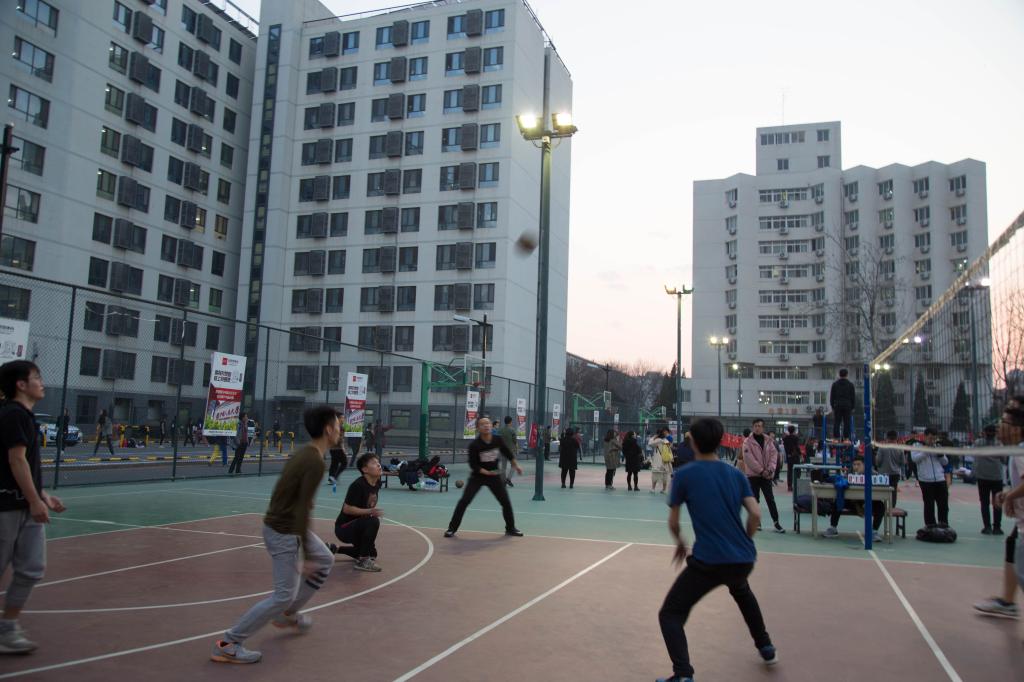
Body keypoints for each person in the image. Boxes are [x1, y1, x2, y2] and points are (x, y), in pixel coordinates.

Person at [211, 406, 340, 664]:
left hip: (284, 525)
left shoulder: (306, 453)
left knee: (326, 559)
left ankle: (286, 614)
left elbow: (290, 493)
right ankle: (229, 642)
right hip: (284, 531)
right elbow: (301, 509)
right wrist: (307, 555)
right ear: (328, 430)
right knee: (283, 595)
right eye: (338, 426)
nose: (341, 431)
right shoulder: (315, 461)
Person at [656, 417, 776, 682]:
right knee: (742, 591)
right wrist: (745, 541)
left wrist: (680, 543)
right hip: (742, 559)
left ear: (693, 442)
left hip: (709, 561)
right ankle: (766, 647)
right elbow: (755, 513)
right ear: (720, 442)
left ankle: (683, 674)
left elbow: (674, 522)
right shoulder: (736, 474)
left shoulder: (684, 475)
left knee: (671, 614)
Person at [0, 361, 66, 654]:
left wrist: (41, 495)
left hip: (25, 505)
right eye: (36, 377)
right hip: (7, 507)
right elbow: (15, 460)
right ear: (21, 385)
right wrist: (33, 500)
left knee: (31, 567)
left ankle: (7, 628)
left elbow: (24, 464)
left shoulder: (24, 416)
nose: (42, 382)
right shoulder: (13, 414)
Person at [974, 400, 1024, 619]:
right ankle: (1008, 602)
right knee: (1013, 547)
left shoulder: (1019, 451)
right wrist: (1012, 495)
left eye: (1005, 421)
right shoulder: (1015, 450)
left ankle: (1008, 602)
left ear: (1017, 428)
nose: (999, 426)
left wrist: (1008, 496)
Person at [444, 416, 523, 538]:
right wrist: (485, 472)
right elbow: (473, 464)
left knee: (505, 501)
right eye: (483, 424)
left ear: (491, 426)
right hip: (478, 477)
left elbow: (507, 453)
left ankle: (510, 528)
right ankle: (452, 528)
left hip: (494, 476)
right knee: (464, 501)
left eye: (488, 423)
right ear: (478, 428)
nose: (486, 425)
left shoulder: (497, 440)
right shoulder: (474, 445)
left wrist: (516, 465)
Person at [330, 453, 383, 572]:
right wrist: (370, 511)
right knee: (373, 521)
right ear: (365, 469)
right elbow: (347, 509)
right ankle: (363, 561)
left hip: (359, 525)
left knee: (372, 554)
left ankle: (334, 548)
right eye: (374, 463)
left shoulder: (377, 482)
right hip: (344, 528)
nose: (378, 465)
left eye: (378, 462)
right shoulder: (358, 485)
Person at [822, 458, 886, 542]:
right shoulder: (849, 473)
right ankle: (833, 528)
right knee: (838, 502)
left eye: (858, 464)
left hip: (868, 502)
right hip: (853, 502)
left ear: (864, 465)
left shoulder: (873, 474)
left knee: (880, 505)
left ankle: (873, 532)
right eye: (854, 464)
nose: (856, 467)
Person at [742, 419, 785, 533]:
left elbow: (773, 455)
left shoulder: (769, 441)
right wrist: (761, 471)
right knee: (755, 500)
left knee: (770, 499)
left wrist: (770, 469)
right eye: (755, 426)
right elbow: (749, 459)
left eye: (760, 426)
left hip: (767, 476)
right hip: (753, 476)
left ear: (763, 428)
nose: (757, 428)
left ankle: (776, 523)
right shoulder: (747, 442)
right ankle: (757, 523)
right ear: (753, 427)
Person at [911, 427, 950, 528]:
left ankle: (943, 524)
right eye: (930, 438)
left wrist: (941, 455)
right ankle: (930, 526)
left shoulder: (938, 446)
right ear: (924, 436)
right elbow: (915, 459)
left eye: (934, 438)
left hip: (940, 478)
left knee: (943, 504)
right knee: (929, 504)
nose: (932, 440)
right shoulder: (916, 445)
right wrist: (926, 450)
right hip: (926, 480)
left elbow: (945, 462)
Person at [974, 423, 1006, 535]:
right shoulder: (999, 444)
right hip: (996, 477)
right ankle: (997, 528)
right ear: (995, 433)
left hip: (982, 476)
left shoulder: (978, 443)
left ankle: (987, 527)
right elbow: (1004, 459)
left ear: (984, 432)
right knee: (997, 502)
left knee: (984, 503)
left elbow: (974, 455)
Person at [874, 429, 905, 506]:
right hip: (895, 473)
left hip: (883, 473)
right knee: (893, 491)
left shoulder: (882, 448)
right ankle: (892, 507)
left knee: (882, 491)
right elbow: (903, 462)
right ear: (896, 438)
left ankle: (882, 507)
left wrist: (878, 466)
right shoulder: (900, 448)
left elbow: (878, 461)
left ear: (887, 437)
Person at [829, 368, 856, 442]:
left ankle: (836, 438)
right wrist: (853, 407)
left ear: (839, 375)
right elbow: (853, 397)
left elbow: (832, 396)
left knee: (837, 421)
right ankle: (846, 438)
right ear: (847, 375)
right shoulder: (850, 385)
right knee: (847, 422)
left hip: (837, 405)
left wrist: (832, 406)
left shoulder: (835, 384)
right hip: (847, 406)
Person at [497, 416, 519, 487]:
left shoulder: (500, 430)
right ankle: (508, 479)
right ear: (510, 421)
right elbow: (515, 441)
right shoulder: (512, 430)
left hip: (503, 450)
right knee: (514, 465)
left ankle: (503, 481)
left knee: (503, 466)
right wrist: (517, 448)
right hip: (511, 450)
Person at [649, 428, 672, 494]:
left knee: (655, 474)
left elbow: (650, 443)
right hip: (665, 460)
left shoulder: (658, 440)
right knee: (665, 474)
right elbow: (670, 447)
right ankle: (664, 489)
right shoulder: (666, 440)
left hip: (658, 460)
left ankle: (653, 488)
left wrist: (654, 437)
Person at [782, 426, 800, 492]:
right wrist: (800, 453)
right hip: (795, 456)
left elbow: (785, 447)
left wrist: (788, 453)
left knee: (789, 471)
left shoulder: (785, 438)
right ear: (794, 430)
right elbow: (797, 447)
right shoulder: (796, 438)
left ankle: (789, 486)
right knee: (797, 470)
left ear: (788, 430)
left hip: (789, 456)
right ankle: (797, 484)